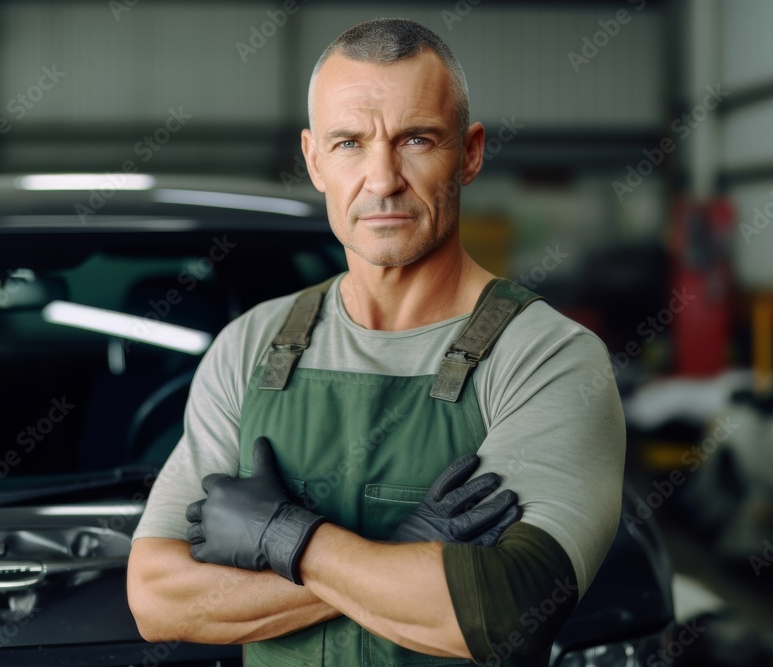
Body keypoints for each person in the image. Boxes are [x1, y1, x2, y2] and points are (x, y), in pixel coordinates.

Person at [127, 17, 625, 666]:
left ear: (470, 153)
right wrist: (400, 563)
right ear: (313, 160)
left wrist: (290, 537)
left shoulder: (547, 358)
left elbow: (504, 611)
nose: (383, 178)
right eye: (349, 143)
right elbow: (157, 598)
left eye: (416, 139)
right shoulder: (252, 346)